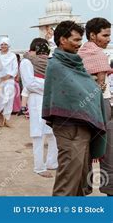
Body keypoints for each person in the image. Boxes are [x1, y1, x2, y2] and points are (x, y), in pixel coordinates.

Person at [42, 21, 107, 196]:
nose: (79, 44)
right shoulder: (56, 65)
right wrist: (94, 88)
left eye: (80, 40)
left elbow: (85, 88)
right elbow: (74, 93)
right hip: (69, 128)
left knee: (81, 179)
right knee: (68, 180)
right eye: (76, 40)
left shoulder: (76, 62)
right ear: (62, 40)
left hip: (84, 126)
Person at [78, 17, 112, 196]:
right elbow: (101, 86)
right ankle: (109, 191)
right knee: (108, 150)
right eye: (105, 35)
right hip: (101, 104)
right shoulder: (99, 54)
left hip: (83, 108)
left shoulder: (80, 53)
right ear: (92, 35)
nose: (108, 39)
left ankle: (85, 189)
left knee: (87, 150)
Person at [20, 38, 58, 178]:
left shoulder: (43, 63)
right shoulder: (26, 62)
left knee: (52, 133)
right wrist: (50, 87)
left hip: (49, 101)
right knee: (38, 134)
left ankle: (52, 162)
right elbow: (29, 84)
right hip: (36, 101)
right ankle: (39, 167)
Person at [0, 37, 18, 128]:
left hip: (9, 80)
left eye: (5, 44)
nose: (3, 46)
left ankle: (7, 119)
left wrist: (7, 76)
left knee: (9, 100)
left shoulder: (12, 56)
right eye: (2, 44)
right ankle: (1, 118)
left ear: (8, 45)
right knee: (0, 99)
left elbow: (15, 68)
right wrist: (0, 77)